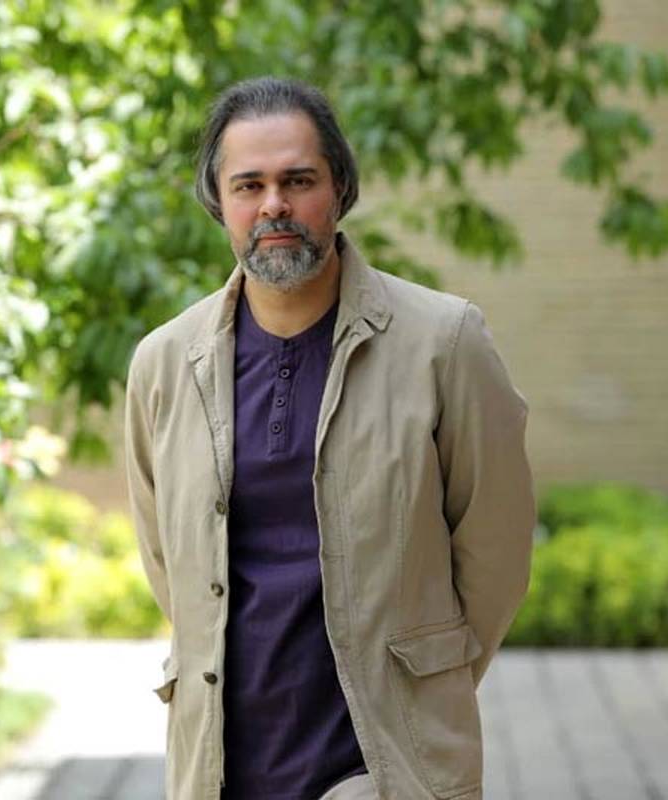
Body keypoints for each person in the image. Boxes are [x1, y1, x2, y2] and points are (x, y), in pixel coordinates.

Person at [124, 76, 535, 800]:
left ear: (340, 188)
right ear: (218, 201)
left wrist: (422, 689)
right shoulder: (166, 363)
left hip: (382, 770)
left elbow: (494, 552)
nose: (273, 205)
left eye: (298, 180)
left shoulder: (443, 344)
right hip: (218, 772)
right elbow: (167, 561)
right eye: (248, 185)